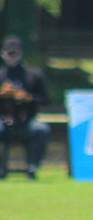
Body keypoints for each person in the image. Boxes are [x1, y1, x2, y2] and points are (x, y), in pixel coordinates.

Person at [0, 35, 50, 179]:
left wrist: (27, 97)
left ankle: (32, 166)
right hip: (4, 121)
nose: (12, 57)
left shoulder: (34, 75)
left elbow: (46, 99)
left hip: (27, 121)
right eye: (9, 53)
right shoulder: (1, 75)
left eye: (15, 53)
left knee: (41, 129)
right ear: (3, 54)